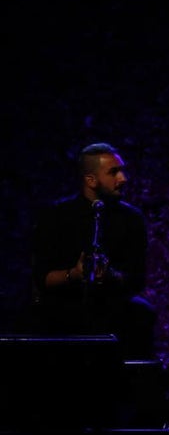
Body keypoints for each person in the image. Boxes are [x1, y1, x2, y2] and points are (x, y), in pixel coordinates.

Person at [30, 142, 157, 359]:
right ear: (90, 180)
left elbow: (137, 279)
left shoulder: (131, 219)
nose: (123, 178)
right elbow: (41, 278)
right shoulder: (56, 216)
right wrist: (74, 275)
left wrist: (110, 276)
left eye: (122, 171)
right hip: (65, 301)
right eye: (113, 172)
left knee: (140, 313)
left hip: (112, 303)